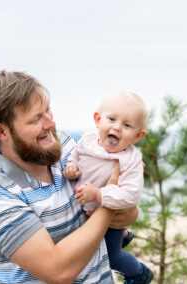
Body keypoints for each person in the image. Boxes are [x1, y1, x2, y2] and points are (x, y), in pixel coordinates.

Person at [0, 70, 139, 284]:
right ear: (1, 132)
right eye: (36, 119)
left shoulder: (74, 147)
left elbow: (129, 214)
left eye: (48, 110)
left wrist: (122, 206)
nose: (51, 124)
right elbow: (58, 271)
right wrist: (109, 198)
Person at [63, 91, 153, 283]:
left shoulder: (130, 159)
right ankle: (125, 236)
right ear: (98, 119)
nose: (117, 127)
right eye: (111, 119)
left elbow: (131, 195)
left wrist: (98, 194)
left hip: (109, 216)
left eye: (127, 125)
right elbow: (75, 158)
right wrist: (71, 168)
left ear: (138, 136)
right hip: (86, 213)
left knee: (113, 258)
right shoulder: (86, 141)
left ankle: (140, 274)